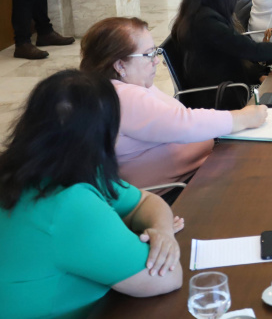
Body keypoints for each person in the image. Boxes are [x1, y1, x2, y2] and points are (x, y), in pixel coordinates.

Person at [0, 70, 183, 317]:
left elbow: (146, 202)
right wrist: (149, 236)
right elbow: (167, 278)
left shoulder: (40, 166)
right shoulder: (68, 205)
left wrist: (163, 232)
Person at [79, 17, 268, 197]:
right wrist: (242, 118)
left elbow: (177, 117)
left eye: (155, 53)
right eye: (148, 55)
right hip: (177, 191)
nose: (156, 61)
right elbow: (183, 124)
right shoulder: (122, 97)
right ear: (120, 65)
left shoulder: (132, 84)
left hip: (198, 172)